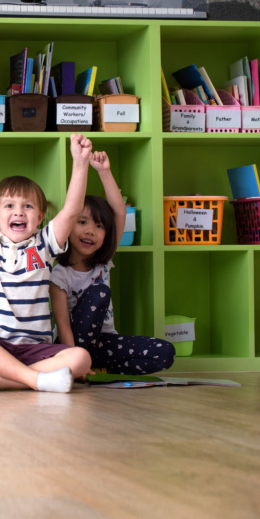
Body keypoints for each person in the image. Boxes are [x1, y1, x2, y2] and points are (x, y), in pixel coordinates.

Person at [0, 123, 93, 393]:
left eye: (28, 206)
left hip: (34, 350)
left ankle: (0, 381)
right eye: (10, 206)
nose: (19, 212)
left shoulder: (44, 245)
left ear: (39, 218)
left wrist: (80, 162)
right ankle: (35, 381)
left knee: (81, 358)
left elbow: (72, 211)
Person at [50, 151, 176, 374]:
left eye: (99, 226)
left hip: (103, 343)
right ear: (68, 227)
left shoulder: (104, 263)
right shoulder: (60, 274)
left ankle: (99, 368)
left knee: (164, 352)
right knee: (100, 293)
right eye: (82, 222)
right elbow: (62, 323)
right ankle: (80, 365)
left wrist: (104, 172)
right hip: (68, 345)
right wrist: (70, 362)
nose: (91, 230)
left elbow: (120, 212)